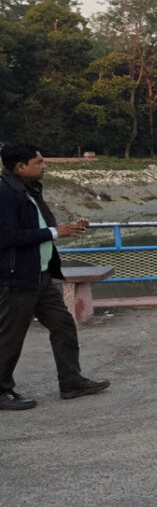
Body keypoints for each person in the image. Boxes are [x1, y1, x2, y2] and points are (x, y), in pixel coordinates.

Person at [0, 143, 110, 409]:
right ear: (20, 166)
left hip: (41, 275)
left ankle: (71, 382)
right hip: (16, 278)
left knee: (63, 325)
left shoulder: (30, 190)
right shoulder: (4, 193)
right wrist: (55, 232)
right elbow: (8, 236)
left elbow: (44, 227)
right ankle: (2, 391)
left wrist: (68, 228)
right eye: (38, 162)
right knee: (10, 337)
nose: (44, 166)